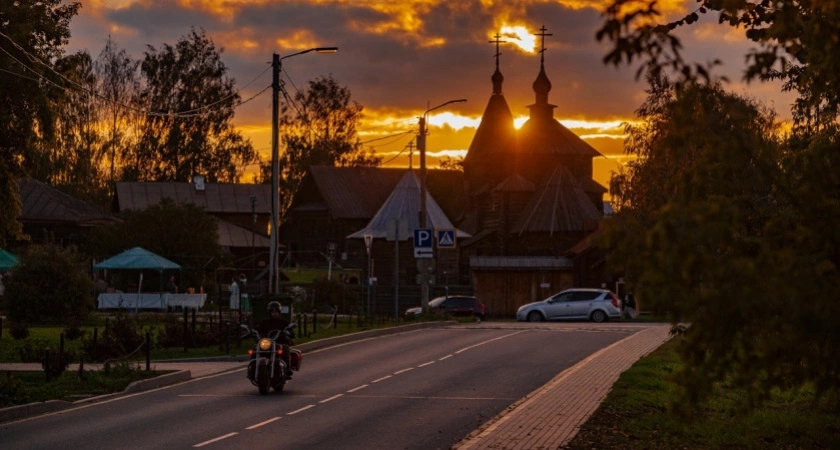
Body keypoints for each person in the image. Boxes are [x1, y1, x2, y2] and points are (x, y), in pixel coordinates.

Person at [257, 301, 293, 375]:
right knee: (255, 348)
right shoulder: (264, 322)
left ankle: (287, 368)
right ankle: (253, 366)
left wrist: (289, 332)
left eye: (276, 312)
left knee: (286, 348)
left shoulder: (283, 322)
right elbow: (258, 329)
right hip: (267, 343)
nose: (274, 313)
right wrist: (253, 332)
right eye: (272, 312)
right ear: (270, 312)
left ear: (279, 312)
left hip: (280, 342)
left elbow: (290, 331)